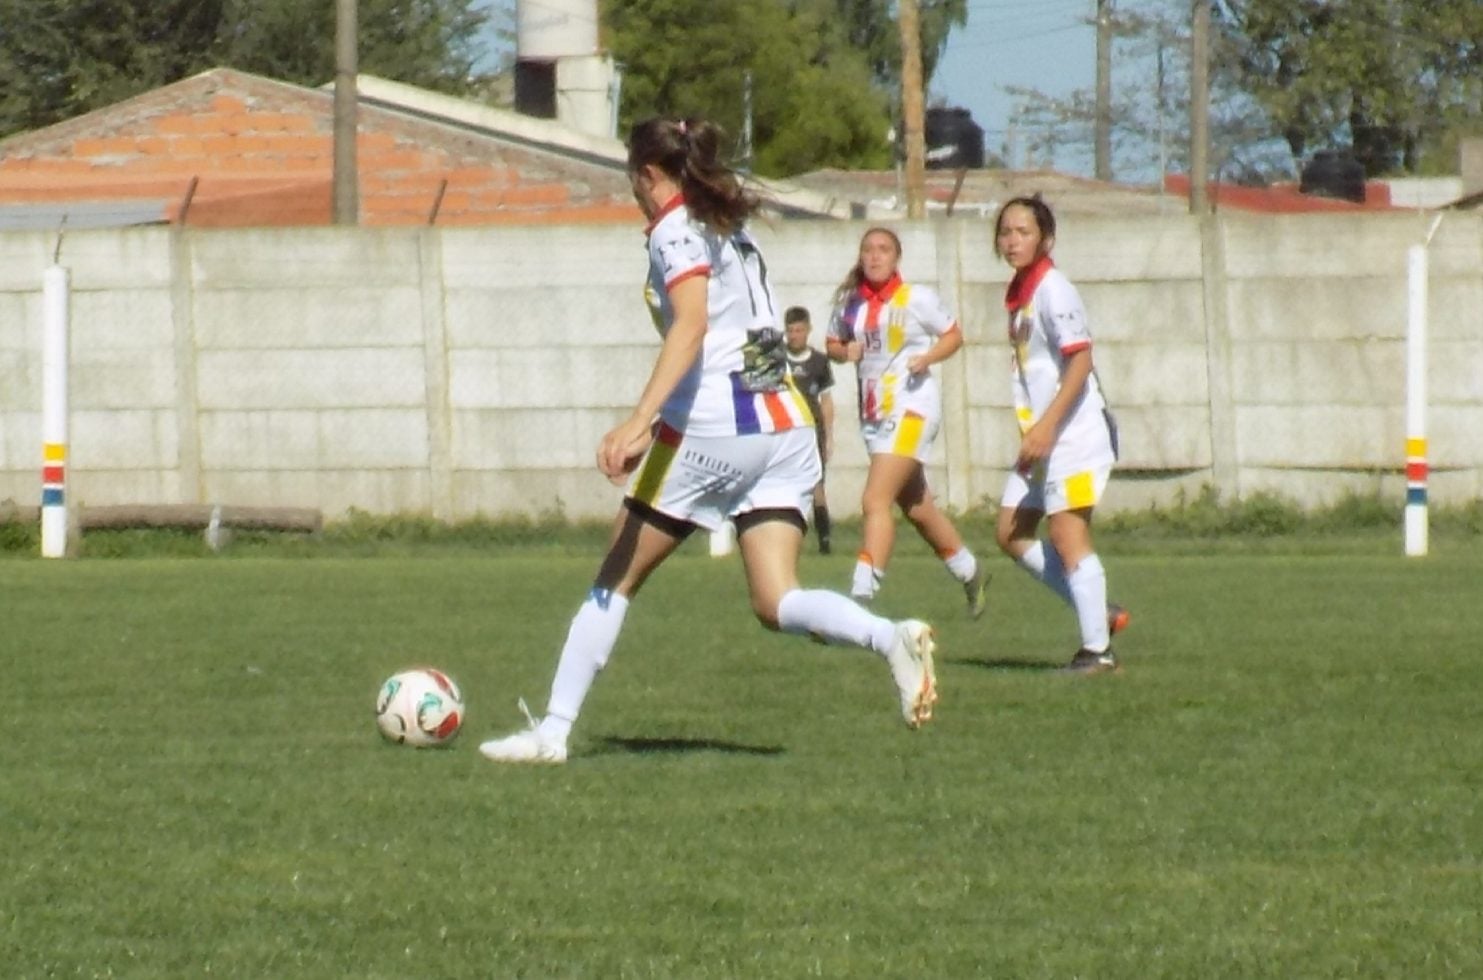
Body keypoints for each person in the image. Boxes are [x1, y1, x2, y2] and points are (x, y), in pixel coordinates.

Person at [479, 117, 938, 765]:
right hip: (782, 426)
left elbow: (691, 327)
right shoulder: (729, 227)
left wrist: (641, 421)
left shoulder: (673, 230)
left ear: (646, 175)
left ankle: (551, 732)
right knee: (775, 598)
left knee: (613, 577)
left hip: (714, 430)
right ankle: (888, 636)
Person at [992, 194, 1129, 675]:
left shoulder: (1053, 288)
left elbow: (1081, 359)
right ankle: (1100, 614)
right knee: (1010, 531)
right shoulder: (1021, 292)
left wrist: (1047, 426)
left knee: (1068, 534)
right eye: (1005, 232)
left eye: (1022, 232)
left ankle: (1098, 651)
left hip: (1074, 434)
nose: (1011, 240)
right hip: (1045, 434)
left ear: (1045, 239)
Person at [825, 228, 988, 619]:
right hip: (874, 414)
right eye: (868, 249)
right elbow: (832, 344)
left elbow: (953, 336)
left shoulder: (916, 298)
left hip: (913, 408)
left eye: (883, 250)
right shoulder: (850, 303)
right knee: (917, 508)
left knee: (874, 500)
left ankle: (860, 597)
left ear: (897, 258)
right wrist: (843, 350)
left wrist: (927, 358)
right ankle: (970, 570)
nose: (874, 256)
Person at [783, 306, 835, 554]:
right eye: (790, 331)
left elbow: (826, 401)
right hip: (784, 431)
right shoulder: (778, 361)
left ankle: (824, 541)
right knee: (783, 488)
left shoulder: (819, 362)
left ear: (808, 330)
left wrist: (829, 437)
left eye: (799, 330)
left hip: (812, 432)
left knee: (817, 487)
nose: (794, 335)